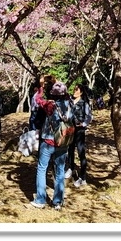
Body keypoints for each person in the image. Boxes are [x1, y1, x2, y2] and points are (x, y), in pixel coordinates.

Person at [29, 81, 74, 211]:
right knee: (60, 171)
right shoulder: (70, 104)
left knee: (42, 168)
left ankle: (40, 200)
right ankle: (58, 202)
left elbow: (37, 100)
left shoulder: (50, 105)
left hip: (48, 141)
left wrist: (41, 88)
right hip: (63, 142)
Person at [65, 83, 93, 187]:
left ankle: (83, 177)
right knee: (70, 149)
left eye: (77, 90)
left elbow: (89, 116)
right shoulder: (70, 102)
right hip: (71, 129)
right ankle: (71, 168)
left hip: (80, 130)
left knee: (81, 152)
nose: (74, 91)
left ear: (81, 92)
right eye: (74, 89)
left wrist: (83, 124)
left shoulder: (84, 103)